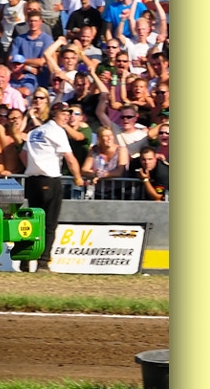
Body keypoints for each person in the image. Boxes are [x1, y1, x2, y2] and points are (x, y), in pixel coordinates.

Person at [21, 102, 84, 272]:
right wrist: (78, 177)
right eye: (63, 113)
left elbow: (23, 154)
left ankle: (25, 258)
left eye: (68, 114)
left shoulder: (34, 132)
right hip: (50, 179)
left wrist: (35, 166)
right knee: (49, 224)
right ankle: (43, 262)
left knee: (33, 222)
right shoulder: (57, 131)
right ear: (54, 114)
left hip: (32, 180)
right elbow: (70, 158)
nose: (67, 117)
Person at [80, 126, 129, 198]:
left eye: (111, 135)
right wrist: (94, 174)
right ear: (99, 138)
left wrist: (101, 175)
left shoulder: (121, 150)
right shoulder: (94, 150)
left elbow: (119, 172)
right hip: (98, 191)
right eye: (105, 136)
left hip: (118, 191)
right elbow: (84, 170)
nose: (109, 138)